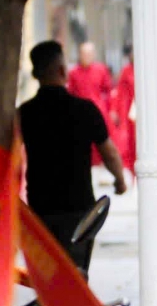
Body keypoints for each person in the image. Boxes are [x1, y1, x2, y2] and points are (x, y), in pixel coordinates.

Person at [18, 41, 128, 270]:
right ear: (62, 71)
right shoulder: (84, 109)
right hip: (79, 208)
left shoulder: (26, 114)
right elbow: (109, 153)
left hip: (41, 208)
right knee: (77, 275)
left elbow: (10, 156)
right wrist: (119, 180)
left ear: (36, 73)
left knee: (48, 277)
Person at [111, 45, 137, 176]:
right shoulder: (126, 71)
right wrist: (115, 110)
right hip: (129, 113)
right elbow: (120, 91)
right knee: (130, 142)